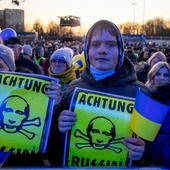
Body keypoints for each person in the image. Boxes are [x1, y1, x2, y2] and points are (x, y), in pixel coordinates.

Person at [57, 20, 151, 167]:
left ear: (120, 50)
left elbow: (154, 145)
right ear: (87, 51)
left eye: (110, 44)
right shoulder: (71, 90)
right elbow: (54, 151)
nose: (102, 50)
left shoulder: (142, 94)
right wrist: (60, 128)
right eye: (95, 45)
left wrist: (143, 152)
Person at [145, 61, 170, 168]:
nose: (161, 78)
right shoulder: (145, 96)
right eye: (158, 74)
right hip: (156, 147)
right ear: (152, 76)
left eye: (165, 75)